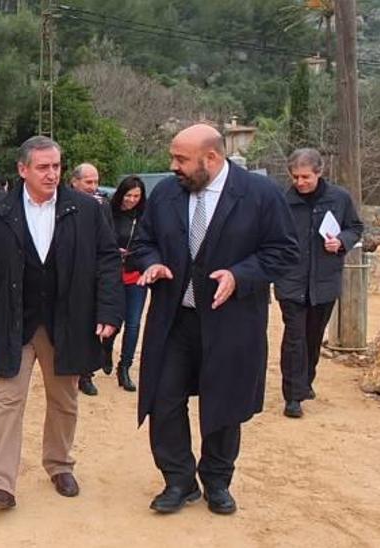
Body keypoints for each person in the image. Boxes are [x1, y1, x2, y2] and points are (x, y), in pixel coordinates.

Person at [131, 124, 298, 516]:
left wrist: (241, 275)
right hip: (175, 320)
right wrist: (152, 263)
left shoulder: (260, 194)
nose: (173, 166)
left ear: (211, 158)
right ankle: (178, 480)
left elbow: (284, 251)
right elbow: (144, 242)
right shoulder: (167, 194)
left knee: (224, 403)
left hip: (231, 322)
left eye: (181, 159)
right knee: (164, 400)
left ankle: (218, 481)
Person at [0, 136, 122, 509]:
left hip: (67, 321)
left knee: (64, 399)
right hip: (14, 320)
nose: (52, 174)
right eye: (43, 167)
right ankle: (2, 483)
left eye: (56, 166)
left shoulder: (86, 210)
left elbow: (107, 262)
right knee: (7, 400)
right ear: (23, 170)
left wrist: (109, 311)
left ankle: (59, 464)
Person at [274, 148, 364, 418]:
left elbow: (355, 228)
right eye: (295, 177)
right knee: (294, 338)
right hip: (291, 281)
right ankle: (292, 396)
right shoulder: (282, 201)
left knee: (312, 338)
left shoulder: (340, 198)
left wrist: (342, 242)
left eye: (305, 177)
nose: (300, 182)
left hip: (324, 282)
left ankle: (306, 380)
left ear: (319, 172)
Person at [68, 162, 109, 396]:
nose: (94, 187)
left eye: (96, 182)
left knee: (90, 325)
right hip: (69, 275)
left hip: (93, 275)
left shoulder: (102, 206)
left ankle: (86, 375)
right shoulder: (59, 205)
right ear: (75, 181)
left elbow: (108, 240)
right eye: (88, 182)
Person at [105, 176, 148, 392]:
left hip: (137, 274)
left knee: (133, 324)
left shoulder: (145, 217)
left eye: (136, 196)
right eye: (128, 195)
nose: (131, 200)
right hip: (112, 274)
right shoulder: (109, 213)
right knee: (114, 320)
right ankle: (106, 349)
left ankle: (125, 366)